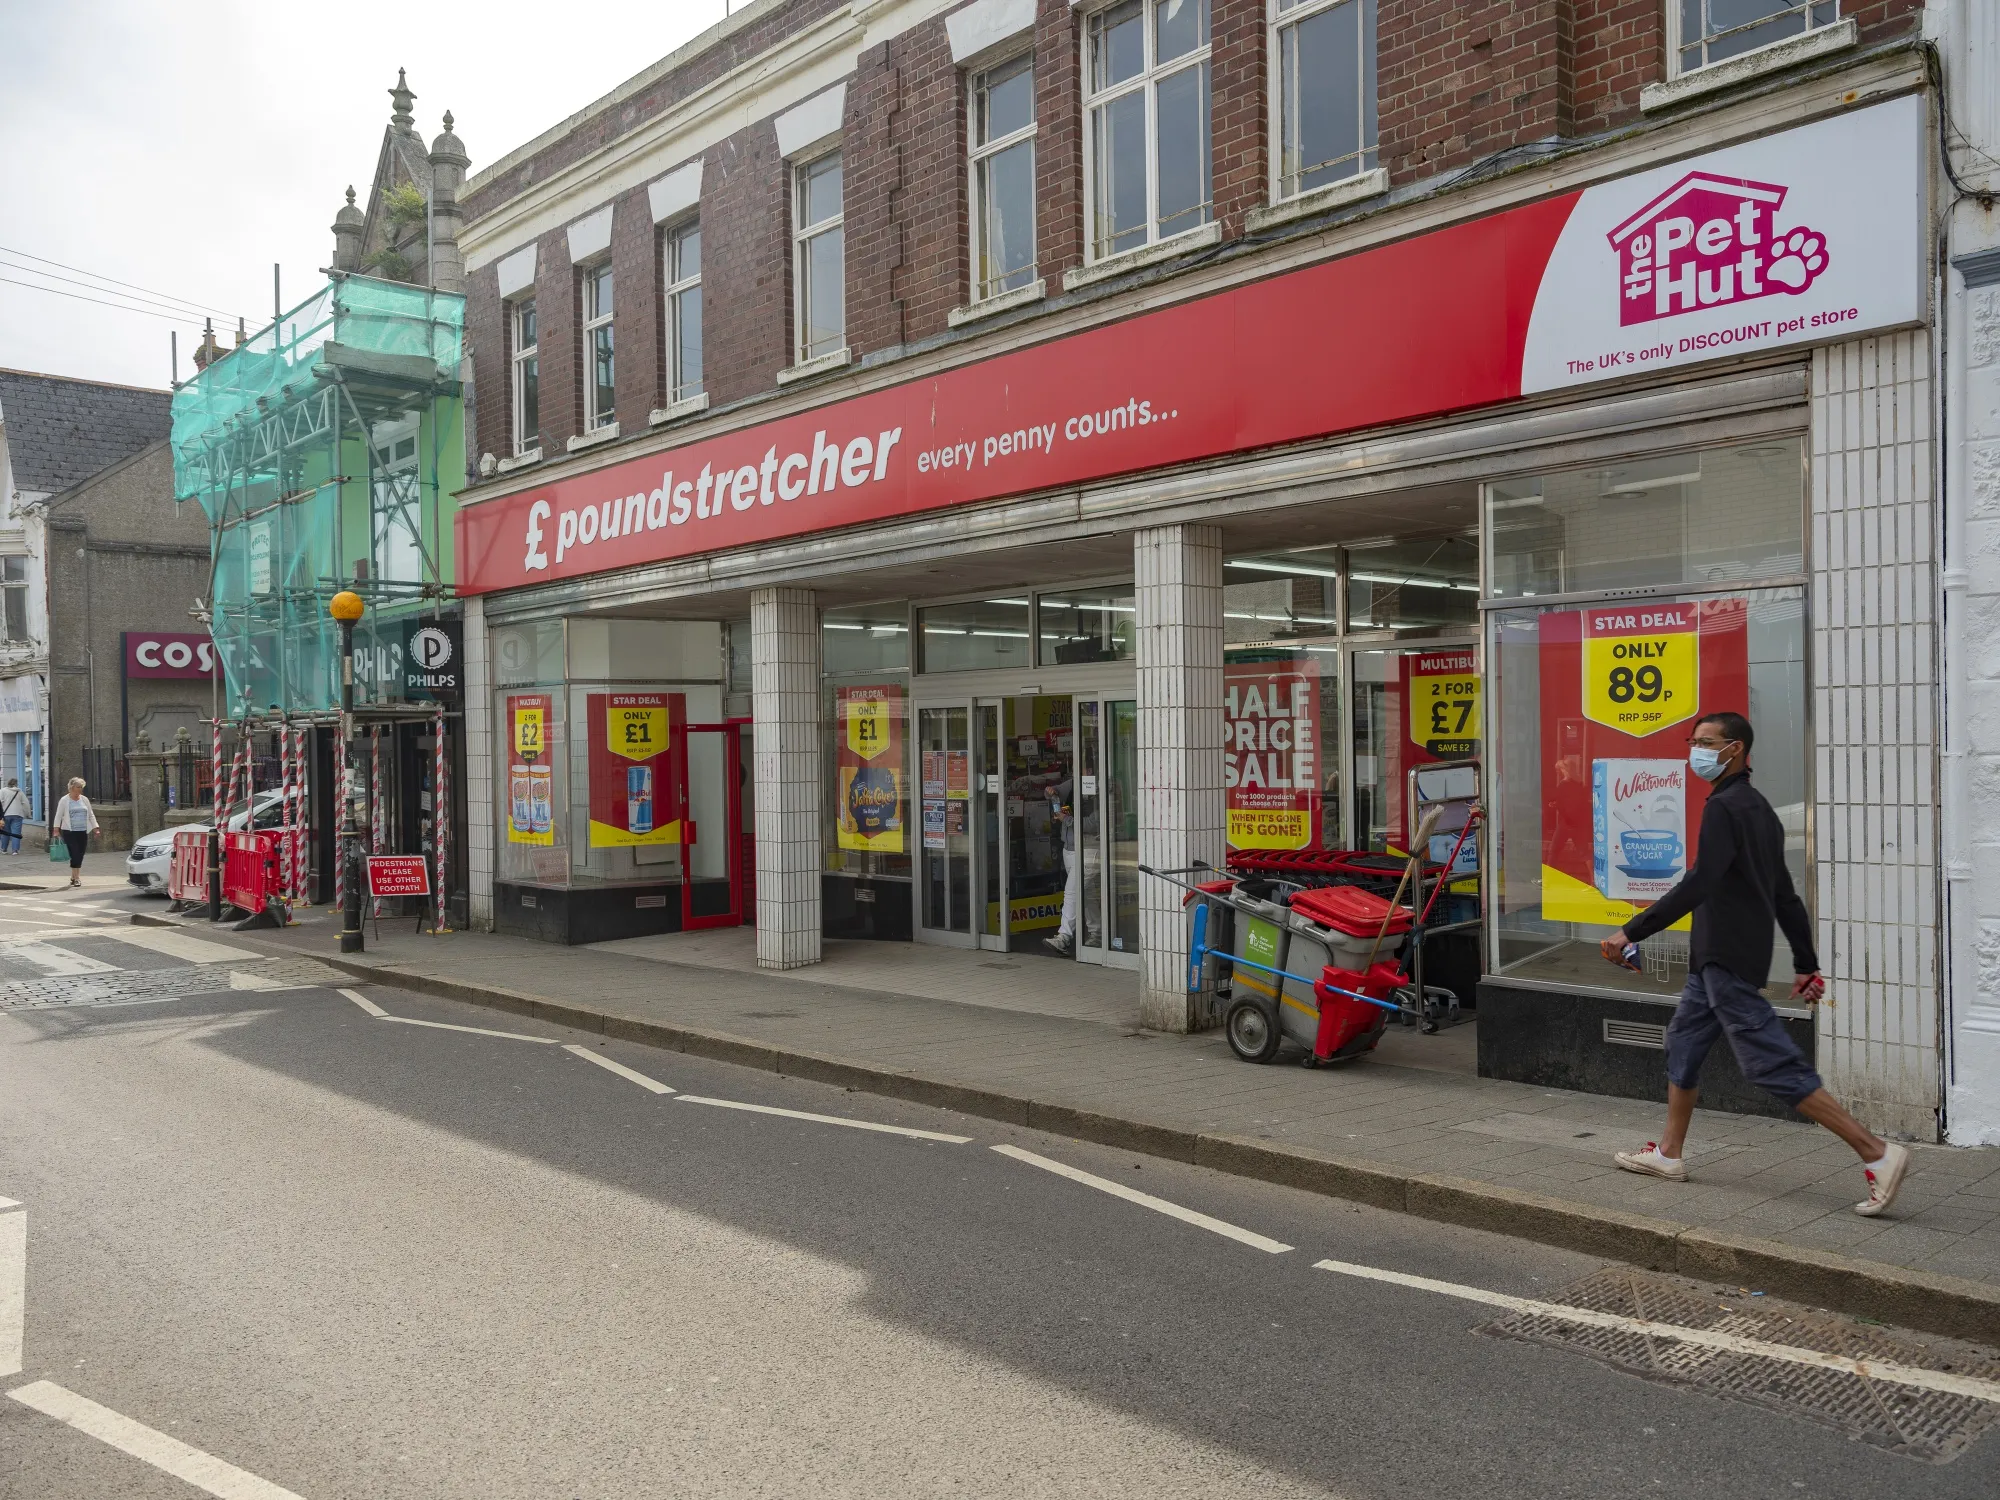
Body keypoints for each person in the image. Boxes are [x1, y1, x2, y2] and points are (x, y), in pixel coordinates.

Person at [1600, 711, 1910, 1217]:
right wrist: (1806, 964)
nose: (1694, 750)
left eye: (1706, 742)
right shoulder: (1759, 810)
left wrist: (1631, 931)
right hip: (1716, 960)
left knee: (1769, 1064)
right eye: (1692, 740)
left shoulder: (1727, 808)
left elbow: (1700, 882)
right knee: (1684, 1043)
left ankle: (1876, 1152)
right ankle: (1669, 1153)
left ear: (1736, 749)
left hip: (1727, 957)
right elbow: (1785, 895)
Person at [1044, 776, 1080, 957]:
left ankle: (1064, 937)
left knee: (1071, 892)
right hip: (1068, 848)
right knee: (1085, 896)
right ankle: (1097, 933)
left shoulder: (1102, 786)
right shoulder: (1075, 783)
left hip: (1086, 849)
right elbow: (1052, 790)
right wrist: (1052, 792)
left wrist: (1066, 820)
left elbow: (1091, 823)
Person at [49, 777, 100, 889]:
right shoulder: (64, 800)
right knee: (75, 853)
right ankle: (77, 878)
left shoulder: (84, 799)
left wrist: (96, 828)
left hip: (82, 831)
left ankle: (73, 876)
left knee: (80, 854)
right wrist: (56, 830)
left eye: (81, 787)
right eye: (78, 787)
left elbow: (91, 814)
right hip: (69, 831)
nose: (80, 789)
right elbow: (58, 815)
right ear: (71, 787)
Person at [0, 778, 26, 854]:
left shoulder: (2, 791)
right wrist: (28, 814)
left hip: (5, 815)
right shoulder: (19, 791)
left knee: (5, 832)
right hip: (17, 814)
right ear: (16, 784)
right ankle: (15, 850)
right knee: (16, 832)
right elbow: (25, 803)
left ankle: (4, 849)